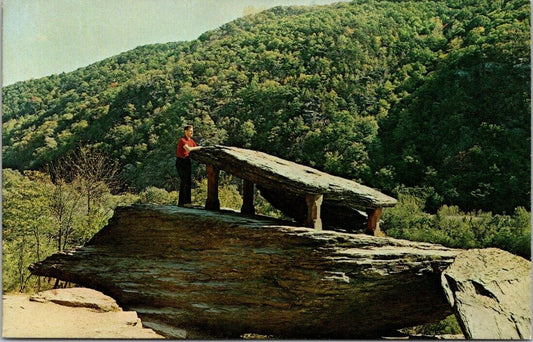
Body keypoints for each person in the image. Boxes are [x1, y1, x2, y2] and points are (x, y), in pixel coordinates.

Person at [175, 125, 200, 207]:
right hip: (181, 162)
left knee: (188, 181)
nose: (192, 132)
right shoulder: (182, 140)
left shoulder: (191, 141)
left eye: (192, 131)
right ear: (185, 131)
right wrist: (198, 147)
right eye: (190, 131)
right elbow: (188, 149)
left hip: (187, 161)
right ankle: (183, 203)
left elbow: (195, 148)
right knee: (184, 181)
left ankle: (187, 202)